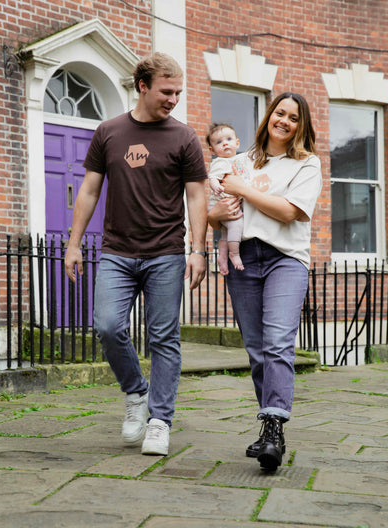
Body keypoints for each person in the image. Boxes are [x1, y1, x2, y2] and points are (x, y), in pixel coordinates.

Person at [65, 52, 208, 457]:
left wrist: (198, 250)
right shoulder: (109, 131)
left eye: (178, 91)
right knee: (108, 326)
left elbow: (197, 195)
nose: (173, 99)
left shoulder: (184, 137)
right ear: (142, 86)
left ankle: (160, 420)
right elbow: (89, 189)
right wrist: (74, 244)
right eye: (166, 91)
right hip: (117, 251)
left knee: (164, 337)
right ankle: (135, 394)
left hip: (166, 251)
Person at [208, 92, 322, 470]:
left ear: (300, 125)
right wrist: (214, 214)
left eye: (293, 117)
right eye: (280, 113)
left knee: (277, 343)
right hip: (245, 260)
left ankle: (272, 428)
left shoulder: (306, 165)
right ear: (268, 116)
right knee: (257, 349)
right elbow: (215, 210)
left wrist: (243, 190)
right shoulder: (238, 161)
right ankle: (272, 425)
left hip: (285, 260)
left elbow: (290, 212)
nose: (284, 121)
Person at [206, 123, 249, 275]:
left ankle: (222, 258)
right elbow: (212, 177)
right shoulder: (221, 162)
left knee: (225, 234)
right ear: (212, 150)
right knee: (236, 225)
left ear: (237, 143)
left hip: (228, 204)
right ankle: (234, 254)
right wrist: (215, 185)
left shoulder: (240, 160)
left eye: (229, 139)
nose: (224, 143)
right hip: (222, 204)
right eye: (219, 142)